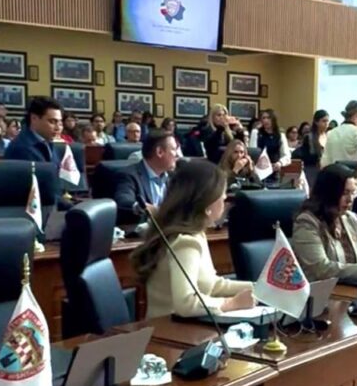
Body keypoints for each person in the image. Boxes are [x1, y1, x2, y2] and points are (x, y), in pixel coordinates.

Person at [131, 159, 256, 318]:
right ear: (207, 203)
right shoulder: (185, 242)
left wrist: (259, 288)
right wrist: (231, 303)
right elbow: (187, 303)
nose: (225, 198)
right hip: (170, 330)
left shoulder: (195, 234)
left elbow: (212, 285)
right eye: (222, 195)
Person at [112, 130, 180, 223]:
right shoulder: (128, 175)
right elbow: (123, 200)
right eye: (174, 149)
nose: (177, 155)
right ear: (159, 152)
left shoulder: (173, 177)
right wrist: (142, 207)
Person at [5, 96, 62, 163]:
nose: (58, 128)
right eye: (52, 122)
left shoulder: (48, 141)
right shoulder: (21, 148)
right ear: (34, 118)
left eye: (59, 122)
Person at [256, 108, 291, 179]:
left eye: (268, 118)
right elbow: (252, 152)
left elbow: (286, 155)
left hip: (274, 171)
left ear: (273, 119)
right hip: (259, 170)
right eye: (263, 118)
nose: (266, 120)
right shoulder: (256, 133)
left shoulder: (280, 135)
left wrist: (280, 163)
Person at [299, 109, 329, 183]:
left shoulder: (329, 136)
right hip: (312, 170)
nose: (326, 123)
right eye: (324, 121)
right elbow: (305, 156)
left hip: (326, 170)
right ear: (316, 122)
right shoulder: (309, 137)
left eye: (327, 121)